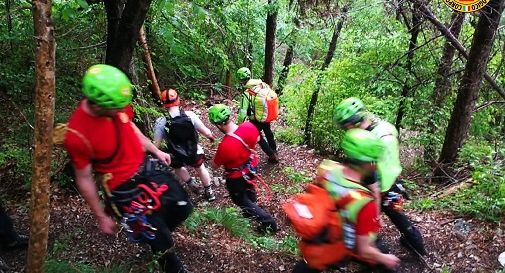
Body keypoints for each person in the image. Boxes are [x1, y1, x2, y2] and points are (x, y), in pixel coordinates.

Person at [63, 64, 192, 273]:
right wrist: (101, 216)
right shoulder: (77, 135)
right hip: (123, 188)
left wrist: (155, 151)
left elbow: (130, 128)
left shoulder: (115, 104)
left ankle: (154, 236)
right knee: (160, 238)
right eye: (115, 108)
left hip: (146, 168)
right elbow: (84, 178)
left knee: (183, 207)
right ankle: (165, 255)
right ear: (98, 105)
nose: (120, 110)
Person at [292, 129, 400, 273]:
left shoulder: (327, 170)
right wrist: (385, 258)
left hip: (323, 233)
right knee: (382, 256)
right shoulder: (365, 202)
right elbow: (363, 250)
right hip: (342, 243)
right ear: (368, 164)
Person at [334, 97, 426, 255]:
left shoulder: (371, 139)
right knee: (398, 216)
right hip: (393, 182)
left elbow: (371, 169)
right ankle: (416, 244)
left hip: (375, 184)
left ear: (353, 121)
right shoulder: (385, 127)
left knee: (366, 218)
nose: (345, 129)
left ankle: (376, 251)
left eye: (346, 125)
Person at [208, 104, 278, 233]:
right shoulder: (249, 126)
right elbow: (257, 139)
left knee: (240, 199)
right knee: (249, 189)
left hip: (236, 177)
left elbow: (214, 165)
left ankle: (268, 222)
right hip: (251, 167)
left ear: (218, 125)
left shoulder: (226, 145)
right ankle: (251, 209)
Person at [153, 88, 217, 202]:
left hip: (176, 153)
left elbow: (156, 145)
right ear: (178, 100)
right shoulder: (190, 115)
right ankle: (209, 191)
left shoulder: (161, 122)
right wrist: (211, 137)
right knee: (200, 168)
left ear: (163, 104)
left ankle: (191, 184)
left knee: (178, 167)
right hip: (193, 150)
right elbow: (206, 131)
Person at [236, 67, 279, 163]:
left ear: (241, 79)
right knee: (268, 132)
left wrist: (239, 124)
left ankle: (271, 155)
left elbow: (243, 111)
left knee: (257, 136)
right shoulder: (261, 85)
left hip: (255, 118)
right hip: (265, 114)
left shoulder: (247, 93)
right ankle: (274, 150)